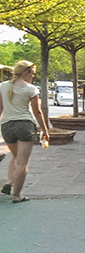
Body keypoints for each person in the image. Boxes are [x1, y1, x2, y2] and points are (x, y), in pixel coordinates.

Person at [0, 60, 49, 203]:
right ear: (26, 72)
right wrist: (45, 130)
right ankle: (17, 195)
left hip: (7, 126)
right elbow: (37, 112)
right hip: (25, 126)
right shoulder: (31, 89)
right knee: (22, 162)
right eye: (32, 74)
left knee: (15, 157)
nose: (33, 77)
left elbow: (0, 108)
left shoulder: (2, 86)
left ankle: (10, 182)